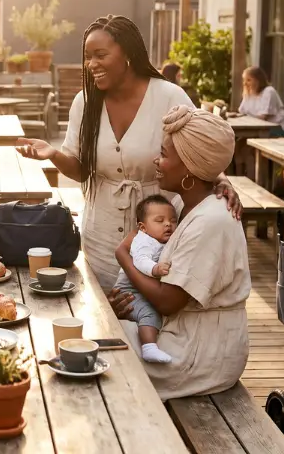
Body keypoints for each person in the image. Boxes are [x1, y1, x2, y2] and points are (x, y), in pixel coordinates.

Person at [17, 15, 241, 292]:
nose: (92, 64)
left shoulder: (169, 96)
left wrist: (221, 179)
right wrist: (53, 154)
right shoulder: (84, 102)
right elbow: (79, 169)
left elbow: (199, 147)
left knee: (150, 313)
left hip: (160, 234)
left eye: (101, 55)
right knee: (105, 314)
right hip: (101, 233)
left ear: (127, 54)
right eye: (88, 57)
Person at [111, 106, 250, 400]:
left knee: (105, 363)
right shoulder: (179, 205)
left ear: (188, 167)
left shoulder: (211, 221)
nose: (156, 160)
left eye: (163, 154)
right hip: (182, 334)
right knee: (98, 337)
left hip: (201, 353)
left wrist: (124, 258)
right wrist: (130, 303)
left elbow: (168, 301)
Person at [111, 195, 178, 364]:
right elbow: (140, 260)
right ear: (143, 227)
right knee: (149, 313)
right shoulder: (144, 241)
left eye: (173, 220)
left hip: (140, 286)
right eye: (160, 220)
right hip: (129, 290)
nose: (168, 224)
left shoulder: (157, 239)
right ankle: (149, 347)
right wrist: (155, 269)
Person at [238, 66, 284, 135]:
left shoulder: (269, 91)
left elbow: (263, 117)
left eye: (249, 80)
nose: (245, 83)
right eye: (244, 80)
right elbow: (242, 113)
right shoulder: (248, 93)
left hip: (273, 131)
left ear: (258, 80)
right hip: (255, 129)